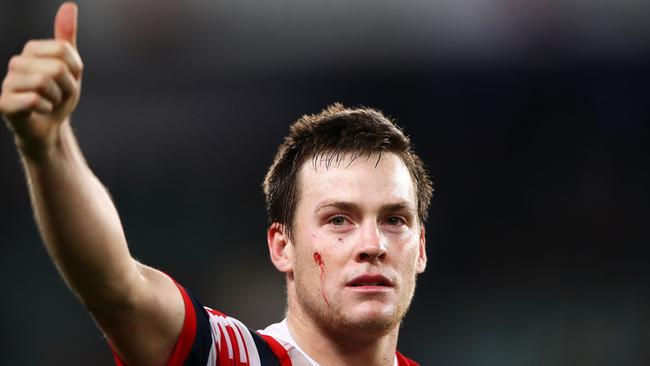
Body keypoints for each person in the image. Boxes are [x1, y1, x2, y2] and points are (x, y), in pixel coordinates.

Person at [0, 3, 432, 366]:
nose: (372, 243)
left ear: (421, 248)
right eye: (339, 219)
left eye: (395, 219)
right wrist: (48, 144)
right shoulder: (230, 356)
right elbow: (115, 288)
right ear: (282, 247)